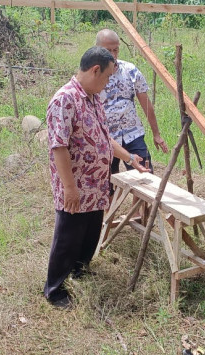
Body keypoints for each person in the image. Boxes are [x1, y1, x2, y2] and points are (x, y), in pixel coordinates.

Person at [44, 46, 148, 308]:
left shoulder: (92, 98)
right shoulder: (65, 100)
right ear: (94, 70)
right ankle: (54, 290)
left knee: (90, 233)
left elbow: (104, 139)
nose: (108, 83)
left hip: (96, 186)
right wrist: (69, 189)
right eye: (107, 78)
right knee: (68, 236)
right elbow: (59, 146)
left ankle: (79, 271)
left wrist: (129, 159)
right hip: (77, 186)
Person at [96, 29, 169, 183]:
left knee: (144, 177)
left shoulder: (130, 71)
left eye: (115, 50)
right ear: (97, 49)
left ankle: (141, 207)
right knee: (107, 181)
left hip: (132, 134)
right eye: (107, 50)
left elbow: (146, 104)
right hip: (106, 137)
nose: (112, 54)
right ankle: (111, 206)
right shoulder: (93, 75)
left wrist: (156, 134)